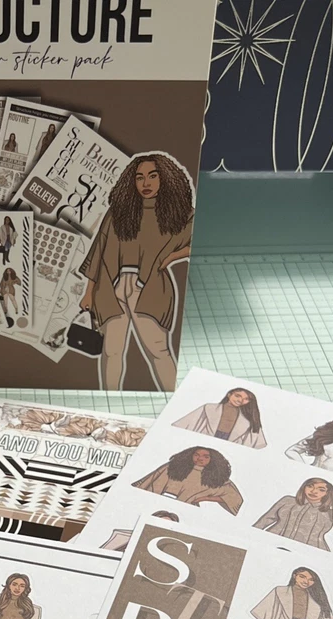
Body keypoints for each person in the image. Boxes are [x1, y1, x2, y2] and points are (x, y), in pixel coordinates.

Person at [79, 153, 195, 390]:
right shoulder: (118, 212)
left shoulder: (180, 213)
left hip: (150, 287)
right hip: (110, 287)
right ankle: (109, 399)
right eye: (139, 177)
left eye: (153, 176)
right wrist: (89, 291)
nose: (146, 183)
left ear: (165, 178)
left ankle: (171, 396)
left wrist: (170, 257)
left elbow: (196, 240)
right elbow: (99, 250)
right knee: (111, 351)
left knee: (159, 350)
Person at [132, 446, 243, 514]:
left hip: (186, 512)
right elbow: (151, 482)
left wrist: (203, 498)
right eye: (196, 455)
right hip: (154, 505)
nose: (200, 458)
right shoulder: (172, 467)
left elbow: (235, 497)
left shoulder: (217, 477)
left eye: (206, 457)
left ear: (213, 460)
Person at [254, 478, 333, 551]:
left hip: (310, 551)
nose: (313, 491)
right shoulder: (288, 501)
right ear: (304, 487)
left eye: (321, 490)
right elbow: (266, 519)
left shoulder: (329, 513)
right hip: (273, 544)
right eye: (310, 486)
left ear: (328, 493)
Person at [173, 387, 266, 449]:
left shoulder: (248, 419)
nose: (240, 400)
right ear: (229, 395)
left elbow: (259, 443)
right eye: (237, 396)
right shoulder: (208, 408)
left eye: (246, 399)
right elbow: (184, 424)